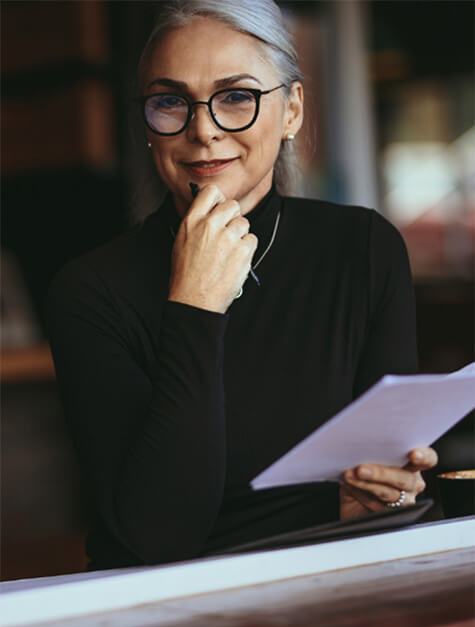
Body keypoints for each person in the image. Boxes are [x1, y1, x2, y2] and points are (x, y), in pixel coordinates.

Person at [46, 0, 437, 572]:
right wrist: (196, 308)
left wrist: (385, 502)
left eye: (236, 97)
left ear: (292, 110)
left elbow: (399, 489)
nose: (202, 130)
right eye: (171, 101)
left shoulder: (363, 249)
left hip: (333, 590)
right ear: (147, 123)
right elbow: (153, 539)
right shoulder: (88, 291)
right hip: (166, 615)